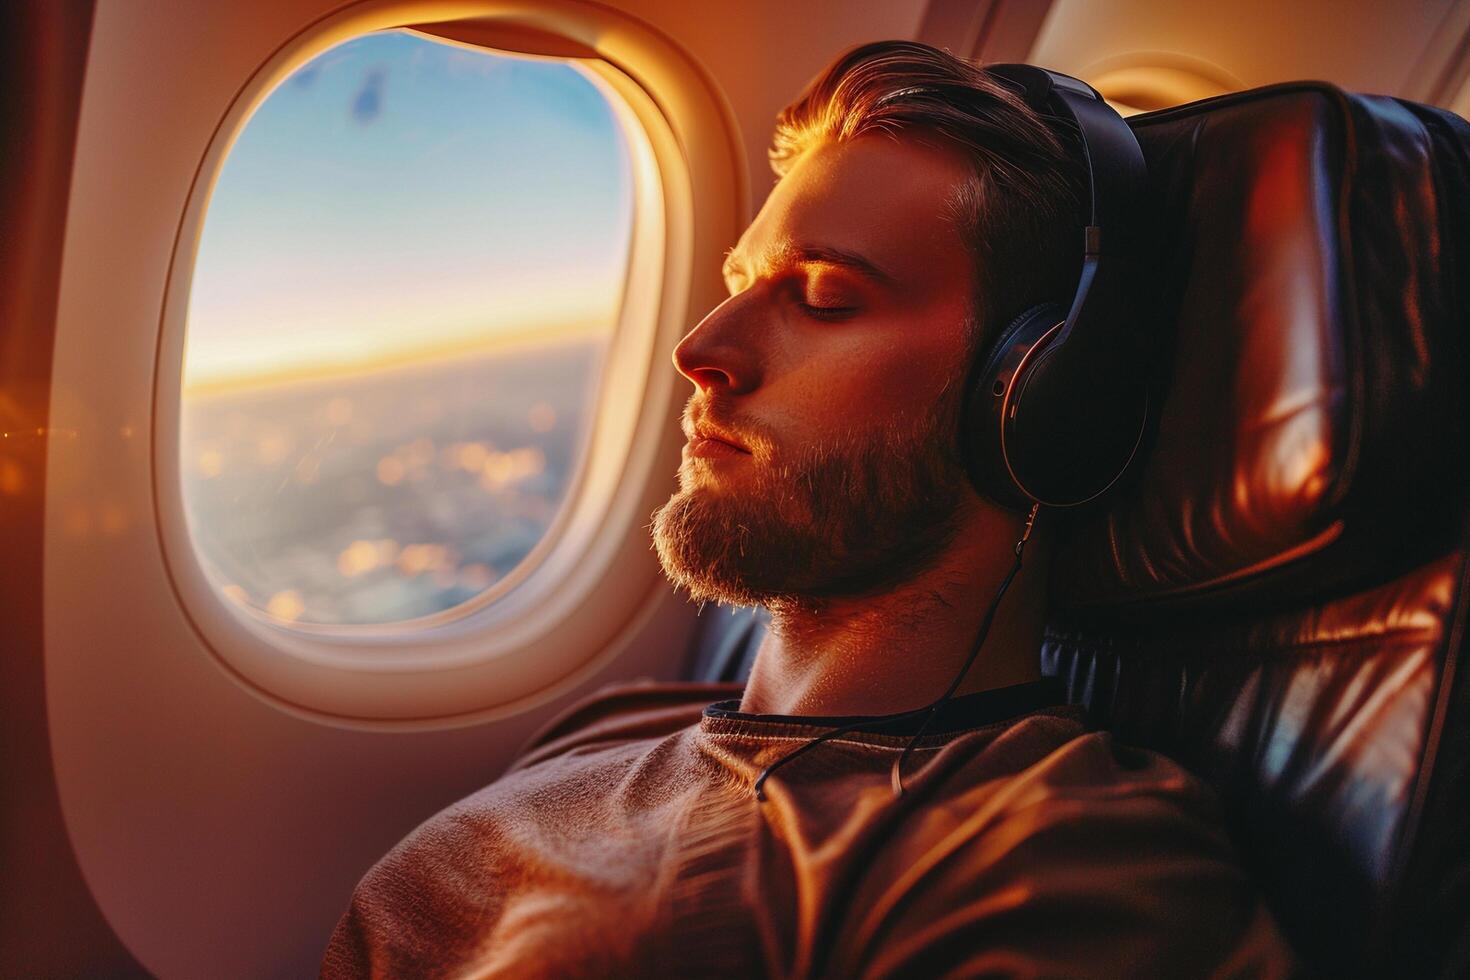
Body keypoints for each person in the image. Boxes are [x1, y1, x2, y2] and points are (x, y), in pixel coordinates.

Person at [321, 40, 1299, 978]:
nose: (700, 348)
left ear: (1030, 394)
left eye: (823, 297)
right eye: (739, 284)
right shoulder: (618, 723)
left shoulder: (1051, 860)